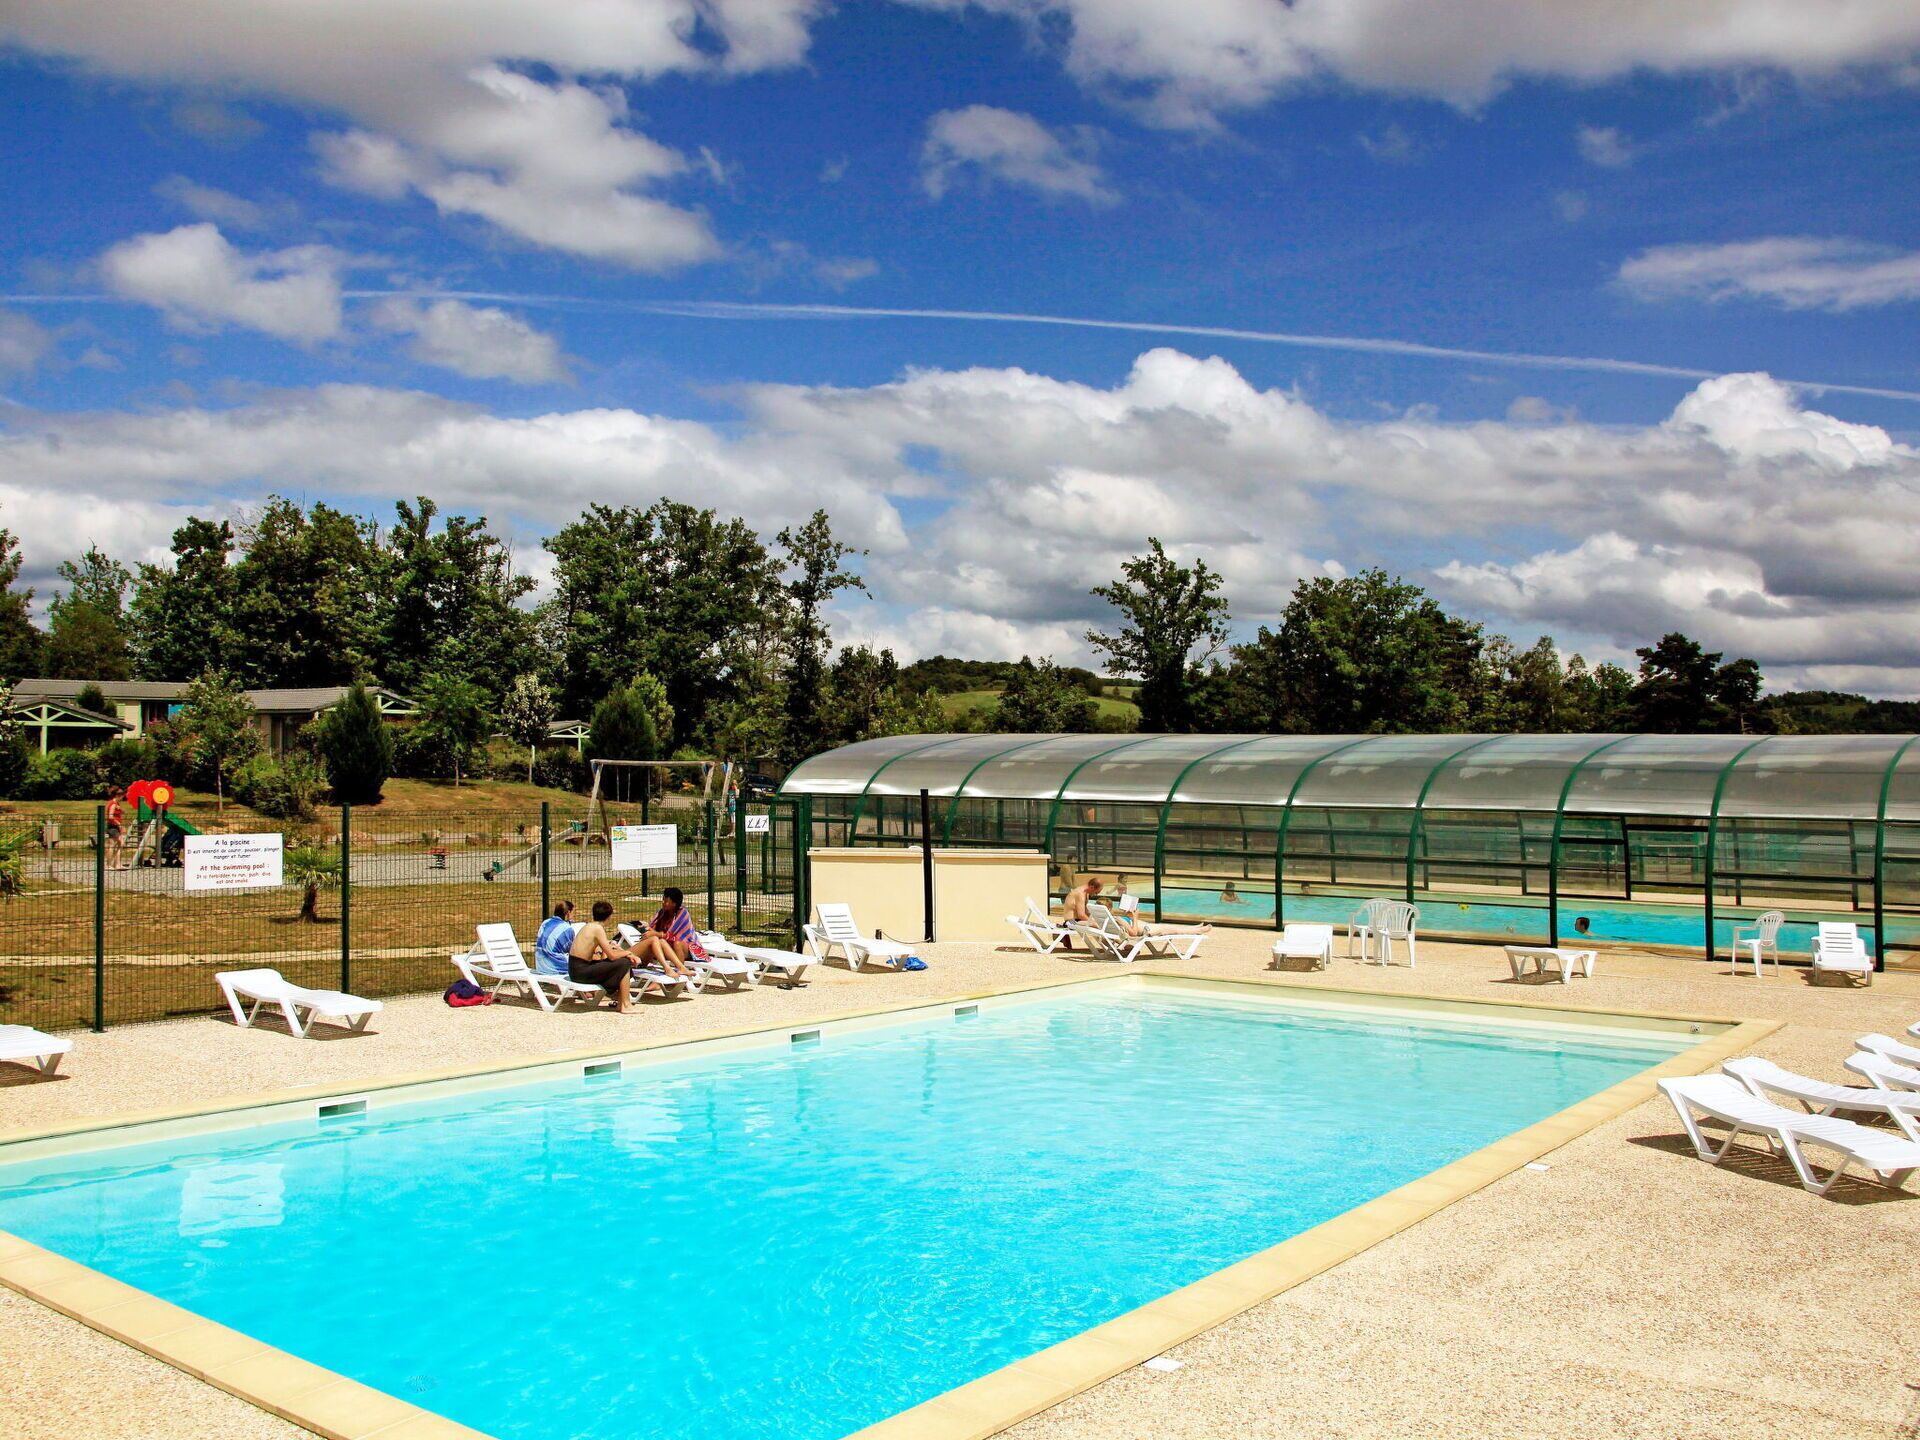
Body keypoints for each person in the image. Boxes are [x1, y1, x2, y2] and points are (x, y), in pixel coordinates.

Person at [568, 900, 642, 1013]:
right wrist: (628, 953)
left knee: (622, 962)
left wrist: (623, 953)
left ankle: (622, 1003)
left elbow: (607, 949)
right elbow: (612, 956)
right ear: (609, 917)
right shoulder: (598, 929)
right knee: (624, 963)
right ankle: (625, 1005)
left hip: (575, 969)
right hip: (581, 972)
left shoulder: (589, 926)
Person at [630, 886, 704, 979]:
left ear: (674, 903)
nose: (663, 903)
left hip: (689, 949)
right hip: (668, 946)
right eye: (663, 899)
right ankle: (657, 978)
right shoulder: (662, 913)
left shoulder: (682, 913)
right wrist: (648, 928)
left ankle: (680, 970)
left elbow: (672, 935)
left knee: (677, 943)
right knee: (657, 942)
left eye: (666, 901)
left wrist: (655, 934)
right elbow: (655, 929)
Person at [534, 900, 576, 977]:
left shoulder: (545, 922)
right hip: (554, 968)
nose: (574, 915)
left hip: (540, 967)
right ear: (568, 913)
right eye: (573, 912)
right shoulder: (567, 928)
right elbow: (572, 951)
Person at [105, 791, 127, 871]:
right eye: (122, 796)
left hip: (116, 827)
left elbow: (118, 812)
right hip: (113, 827)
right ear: (118, 796)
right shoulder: (113, 804)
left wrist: (121, 810)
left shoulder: (116, 804)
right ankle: (108, 865)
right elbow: (110, 816)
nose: (123, 798)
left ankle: (117, 864)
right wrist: (119, 824)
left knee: (120, 844)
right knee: (112, 845)